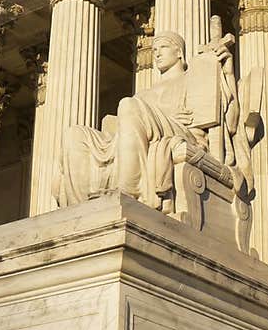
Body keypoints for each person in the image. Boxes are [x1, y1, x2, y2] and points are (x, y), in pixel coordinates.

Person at [55, 28, 254, 210]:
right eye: (155, 49)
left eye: (163, 47)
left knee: (128, 105)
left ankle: (129, 192)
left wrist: (226, 74)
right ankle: (79, 209)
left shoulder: (192, 79)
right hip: (147, 134)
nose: (157, 53)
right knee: (75, 134)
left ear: (179, 53)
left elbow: (230, 120)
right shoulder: (144, 94)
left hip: (183, 133)